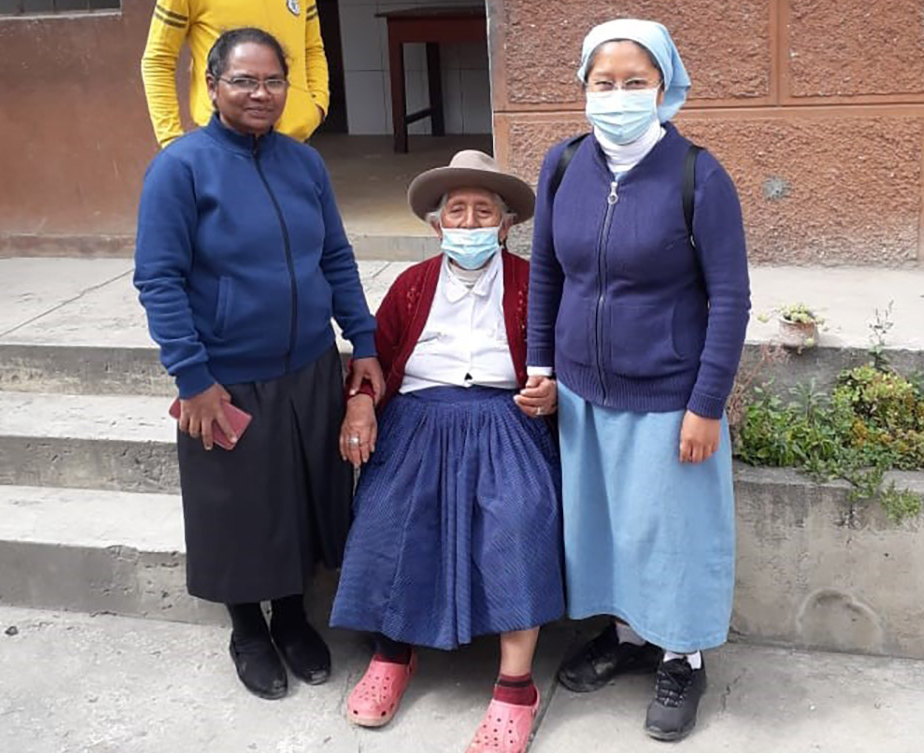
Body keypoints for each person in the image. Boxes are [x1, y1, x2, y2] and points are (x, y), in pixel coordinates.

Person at [133, 28, 383, 700]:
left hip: (307, 365)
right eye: (243, 80)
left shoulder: (304, 164)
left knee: (301, 498)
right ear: (211, 86)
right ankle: (247, 628)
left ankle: (295, 616)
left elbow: (334, 257)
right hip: (224, 377)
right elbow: (157, 279)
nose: (260, 93)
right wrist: (193, 380)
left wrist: (362, 342)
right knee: (238, 509)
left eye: (273, 80)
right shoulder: (180, 168)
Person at [523, 19, 751, 742]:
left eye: (635, 83)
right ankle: (626, 635)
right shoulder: (562, 166)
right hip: (585, 392)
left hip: (667, 393)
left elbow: (732, 298)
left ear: (664, 88)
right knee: (609, 528)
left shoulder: (698, 175)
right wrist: (541, 367)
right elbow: (548, 274)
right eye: (604, 82)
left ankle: (682, 655)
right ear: (583, 87)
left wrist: (706, 403)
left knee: (672, 534)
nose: (618, 97)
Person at [329, 151, 565, 753]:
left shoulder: (533, 284)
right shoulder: (411, 286)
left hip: (503, 417)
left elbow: (568, 360)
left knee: (518, 517)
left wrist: (553, 392)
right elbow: (372, 358)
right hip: (417, 417)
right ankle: (391, 654)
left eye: (482, 211)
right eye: (456, 212)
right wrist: (360, 400)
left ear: (505, 224)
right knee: (388, 513)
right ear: (437, 226)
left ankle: (516, 689)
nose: (468, 222)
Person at [141, 0, 329, 147]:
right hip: (224, 146)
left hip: (295, 141)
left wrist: (317, 106)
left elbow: (312, 48)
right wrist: (171, 140)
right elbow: (158, 60)